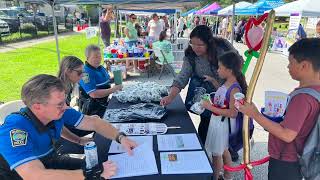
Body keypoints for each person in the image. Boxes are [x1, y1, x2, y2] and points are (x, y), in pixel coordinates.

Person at [0, 74, 137, 180]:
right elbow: (35, 175)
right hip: (17, 175)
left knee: (101, 167)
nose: (66, 107)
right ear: (37, 106)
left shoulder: (59, 110)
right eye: (59, 104)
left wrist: (120, 137)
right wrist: (90, 174)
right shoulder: (14, 129)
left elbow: (95, 122)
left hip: (51, 159)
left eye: (64, 101)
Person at [238, 38, 320, 180]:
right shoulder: (314, 91)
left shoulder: (302, 98)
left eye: (291, 63)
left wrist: (255, 114)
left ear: (304, 66)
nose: (288, 67)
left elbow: (287, 135)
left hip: (287, 161)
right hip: (299, 157)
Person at [160, 25, 241, 144]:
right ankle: (209, 151)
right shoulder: (190, 55)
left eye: (200, 45)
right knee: (206, 125)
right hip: (208, 97)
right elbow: (182, 76)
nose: (195, 48)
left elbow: (237, 65)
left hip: (227, 95)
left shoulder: (222, 50)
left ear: (209, 43)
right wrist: (170, 96)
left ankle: (228, 149)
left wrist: (224, 86)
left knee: (227, 127)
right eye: (193, 44)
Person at [202, 51, 248, 180]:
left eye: (220, 67)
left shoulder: (235, 89)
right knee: (224, 150)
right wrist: (212, 81)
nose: (217, 70)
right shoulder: (227, 82)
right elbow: (222, 92)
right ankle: (228, 176)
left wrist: (209, 107)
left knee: (217, 154)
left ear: (229, 70)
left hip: (223, 124)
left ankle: (216, 177)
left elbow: (233, 113)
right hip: (218, 122)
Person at [79, 45, 122, 118]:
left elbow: (105, 81)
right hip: (91, 109)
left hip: (103, 104)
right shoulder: (85, 73)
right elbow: (94, 94)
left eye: (100, 56)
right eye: (95, 57)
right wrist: (114, 89)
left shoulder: (100, 67)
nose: (98, 59)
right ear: (87, 57)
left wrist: (116, 77)